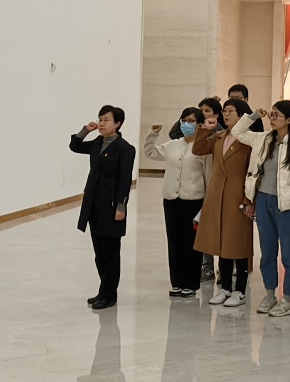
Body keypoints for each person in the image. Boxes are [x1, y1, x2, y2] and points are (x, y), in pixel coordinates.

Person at [232, 101, 290, 317]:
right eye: (272, 114)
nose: (272, 118)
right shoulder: (264, 139)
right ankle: (270, 294)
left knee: (289, 254)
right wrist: (253, 116)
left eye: (277, 115)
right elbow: (238, 132)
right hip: (263, 201)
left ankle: (288, 298)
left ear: (289, 120)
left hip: (288, 205)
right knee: (267, 252)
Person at [69, 105, 137, 311]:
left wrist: (121, 206)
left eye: (106, 120)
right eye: (100, 119)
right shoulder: (97, 142)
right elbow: (75, 146)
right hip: (94, 204)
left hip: (112, 205)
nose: (101, 123)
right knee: (99, 253)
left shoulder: (125, 149)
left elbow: (125, 180)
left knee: (111, 253)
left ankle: (109, 295)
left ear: (118, 123)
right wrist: (85, 130)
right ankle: (104, 290)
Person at [192, 98, 256, 308]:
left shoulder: (249, 140)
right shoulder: (219, 137)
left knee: (239, 243)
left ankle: (240, 290)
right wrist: (204, 129)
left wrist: (248, 199)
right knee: (223, 242)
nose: (226, 115)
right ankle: (225, 287)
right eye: (225, 111)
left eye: (230, 111)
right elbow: (198, 149)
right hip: (217, 196)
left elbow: (253, 171)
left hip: (238, 196)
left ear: (242, 115)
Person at [143, 108, 211, 297]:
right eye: (183, 120)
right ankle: (177, 282)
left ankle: (191, 283)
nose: (186, 124)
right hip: (172, 201)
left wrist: (206, 204)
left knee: (191, 244)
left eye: (191, 121)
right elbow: (149, 153)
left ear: (199, 125)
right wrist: (152, 134)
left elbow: (209, 177)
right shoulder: (172, 145)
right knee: (174, 242)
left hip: (194, 201)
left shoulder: (203, 149)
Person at [196, 96, 223, 282]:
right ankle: (207, 266)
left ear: (216, 114)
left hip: (217, 185)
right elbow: (174, 133)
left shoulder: (220, 133)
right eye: (201, 110)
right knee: (203, 227)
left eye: (206, 111)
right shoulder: (200, 129)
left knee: (220, 228)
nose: (203, 114)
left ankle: (224, 267)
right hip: (201, 184)